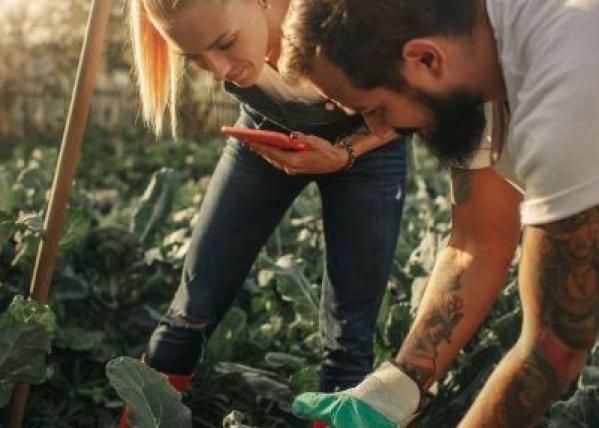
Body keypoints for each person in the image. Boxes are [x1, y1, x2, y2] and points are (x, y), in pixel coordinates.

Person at [278, 0, 599, 426]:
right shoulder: (478, 59)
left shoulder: (573, 82)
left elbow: (555, 344)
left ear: (425, 58)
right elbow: (478, 239)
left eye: (374, 109)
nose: (379, 131)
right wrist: (399, 384)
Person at [121, 0, 410, 427]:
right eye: (196, 58)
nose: (218, 71)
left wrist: (344, 154)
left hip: (369, 152)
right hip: (264, 135)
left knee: (350, 336)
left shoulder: (349, 17)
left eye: (224, 44)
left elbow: (414, 104)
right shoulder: (224, 47)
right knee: (191, 308)